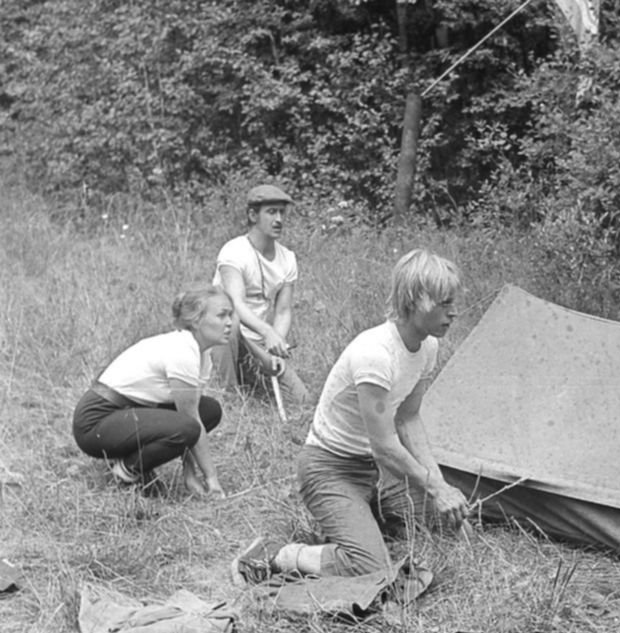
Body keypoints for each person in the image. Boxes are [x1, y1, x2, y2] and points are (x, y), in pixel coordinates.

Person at [232, 248, 470, 583]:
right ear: (416, 300)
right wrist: (433, 487)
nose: (454, 312)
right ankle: (280, 554)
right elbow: (385, 445)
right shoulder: (375, 353)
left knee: (446, 520)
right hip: (329, 468)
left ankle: (364, 519)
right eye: (444, 303)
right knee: (370, 568)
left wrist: (440, 485)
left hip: (374, 471)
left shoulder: (428, 346)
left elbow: (409, 419)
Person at [72, 285, 232, 498]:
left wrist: (190, 472)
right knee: (190, 424)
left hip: (127, 413)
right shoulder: (182, 349)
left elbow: (190, 415)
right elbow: (188, 421)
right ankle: (126, 470)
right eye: (222, 315)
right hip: (95, 423)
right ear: (196, 320)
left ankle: (133, 463)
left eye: (231, 315)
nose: (230, 322)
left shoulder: (202, 354)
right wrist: (212, 481)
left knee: (209, 409)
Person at [211, 184, 309, 405]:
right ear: (253, 215)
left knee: (301, 400)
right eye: (271, 212)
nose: (279, 219)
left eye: (282, 212)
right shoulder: (233, 251)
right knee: (229, 320)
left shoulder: (288, 259)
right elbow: (235, 303)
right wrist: (267, 332)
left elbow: (283, 311)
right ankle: (229, 398)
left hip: (257, 347)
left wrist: (276, 345)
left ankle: (250, 385)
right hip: (223, 340)